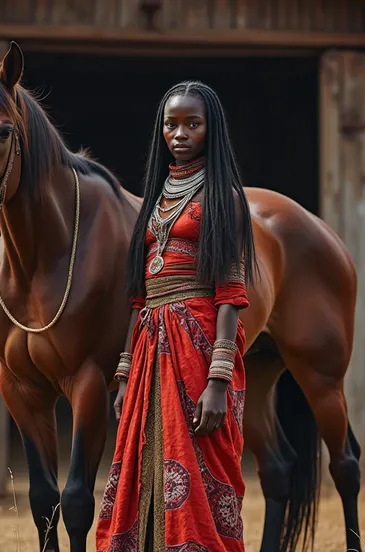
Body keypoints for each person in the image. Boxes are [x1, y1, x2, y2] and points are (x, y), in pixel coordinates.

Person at [95, 80, 258, 552]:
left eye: (192, 123)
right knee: (142, 459)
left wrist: (218, 380)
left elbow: (230, 292)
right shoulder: (157, 195)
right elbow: (138, 296)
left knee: (203, 462)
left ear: (211, 129)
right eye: (171, 123)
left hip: (199, 343)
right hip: (150, 342)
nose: (180, 133)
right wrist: (124, 373)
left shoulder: (223, 197)